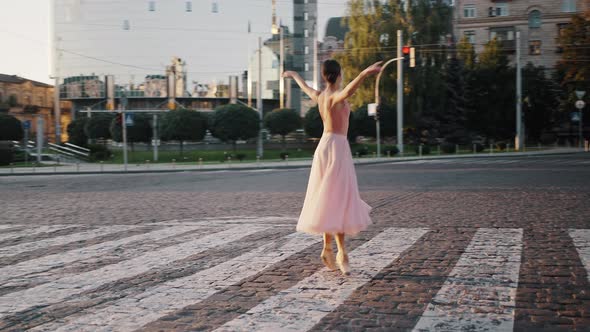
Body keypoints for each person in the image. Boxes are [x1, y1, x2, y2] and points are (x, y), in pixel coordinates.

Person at [283, 59, 382, 275]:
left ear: (323, 75)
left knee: (329, 198)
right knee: (340, 198)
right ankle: (342, 252)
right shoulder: (335, 96)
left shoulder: (319, 96)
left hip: (324, 147)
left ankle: (328, 248)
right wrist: (365, 73)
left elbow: (304, 86)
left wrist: (293, 75)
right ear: (338, 75)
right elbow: (347, 92)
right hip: (337, 147)